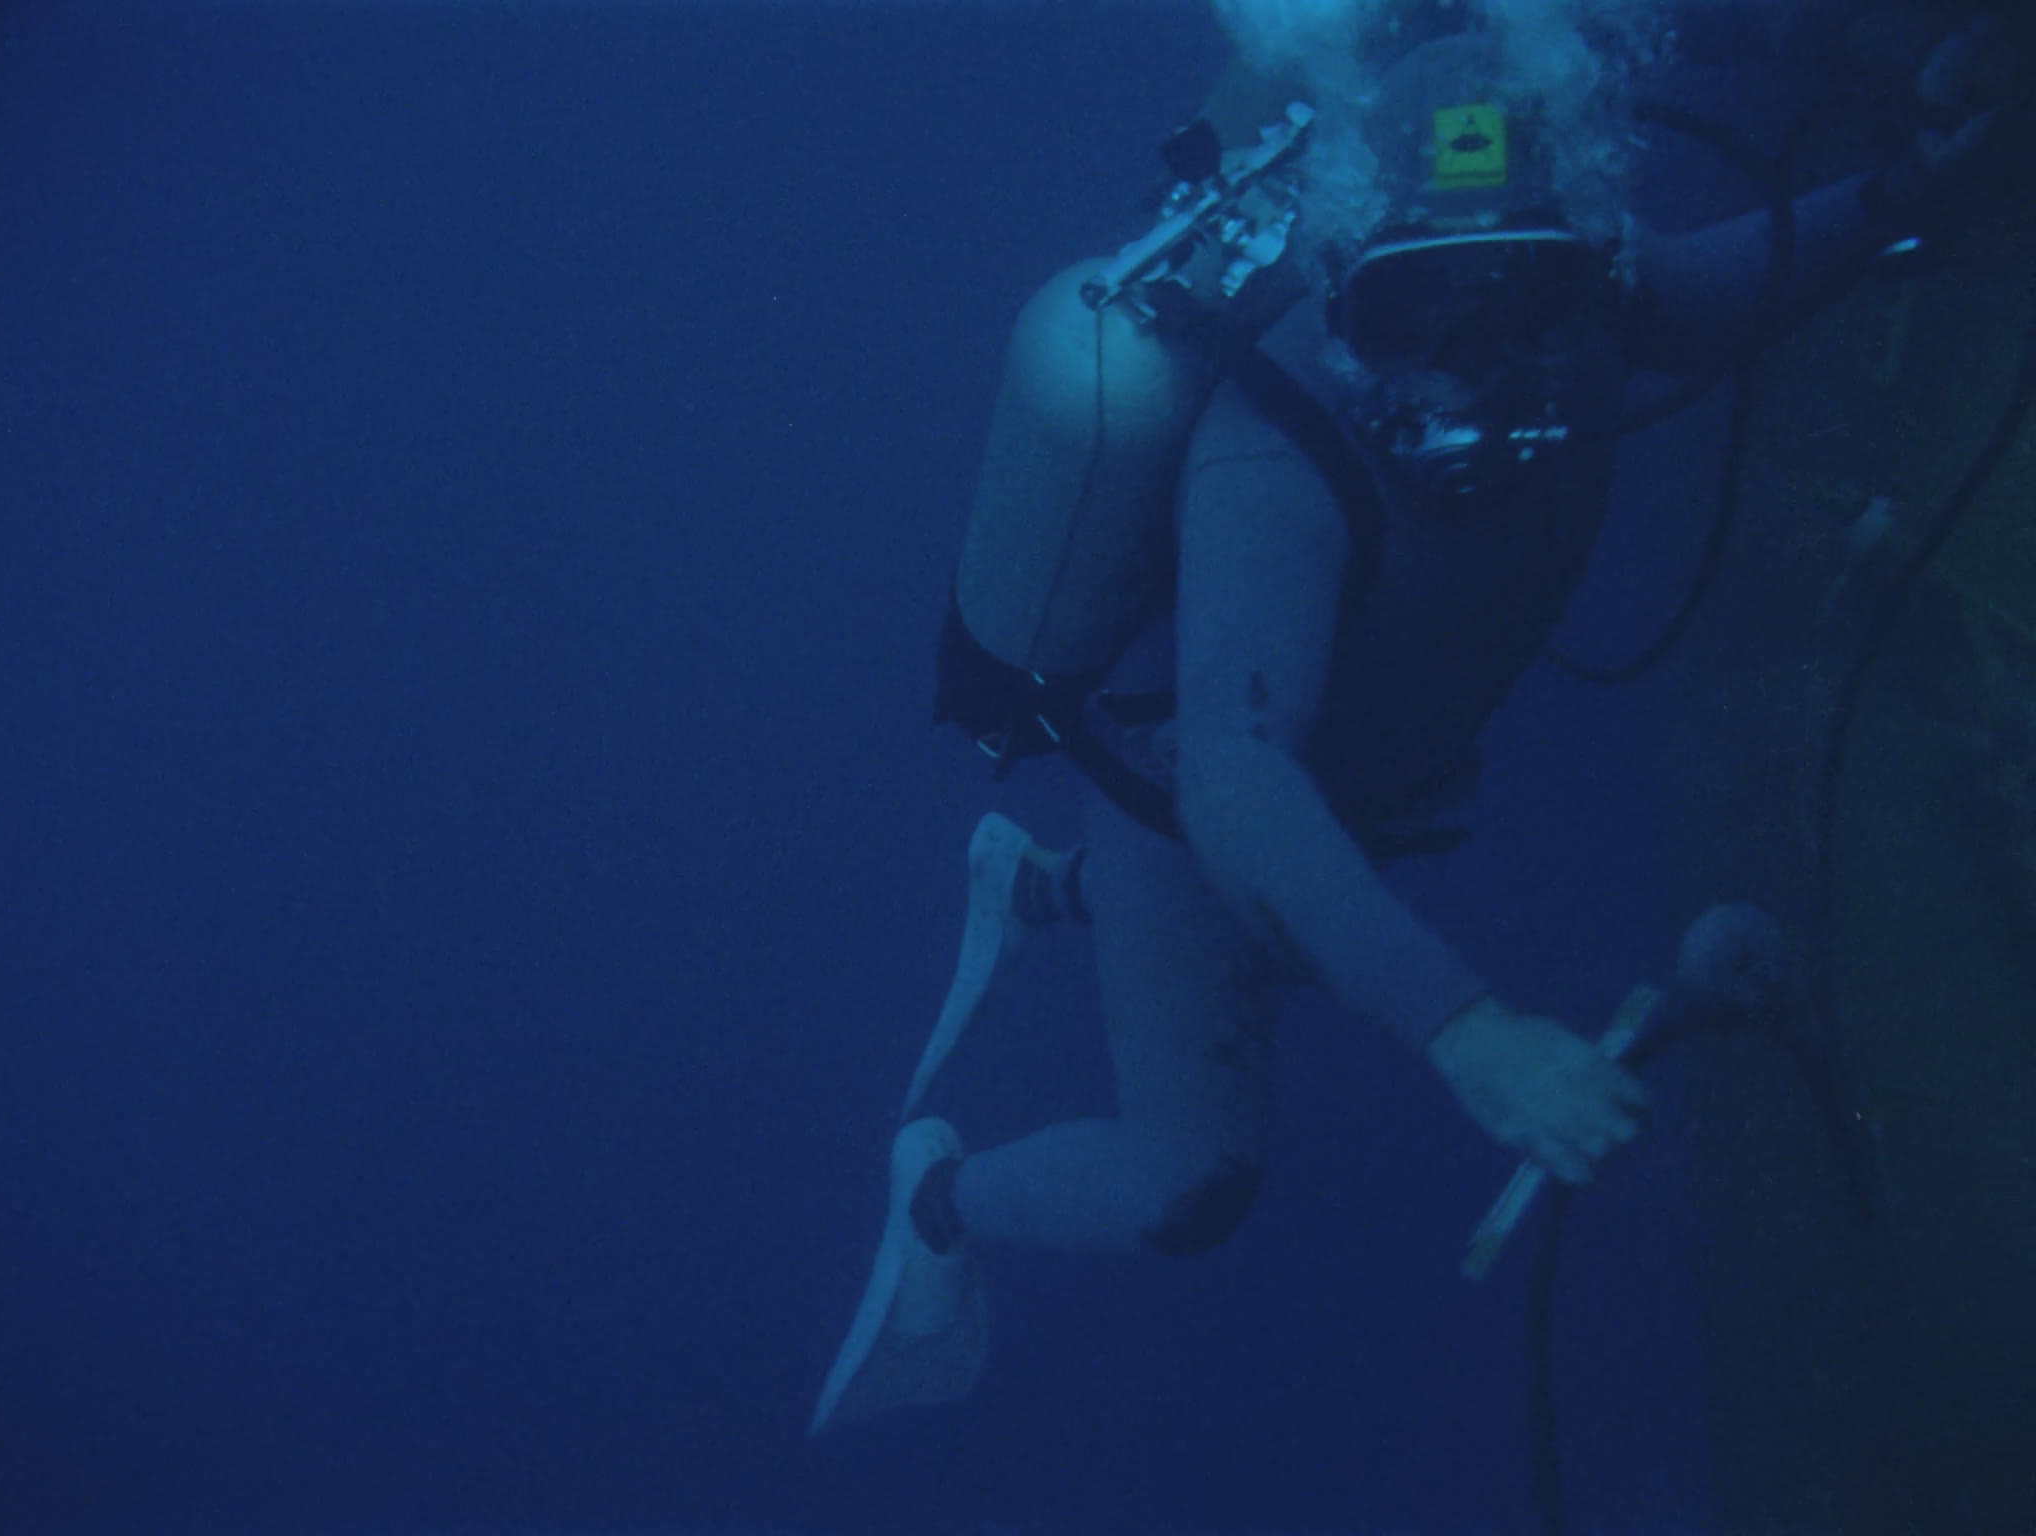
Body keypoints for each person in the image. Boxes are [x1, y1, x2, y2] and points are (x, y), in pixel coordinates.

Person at [810, 2, 2025, 1435]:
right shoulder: (1279, 446)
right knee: (1194, 1180)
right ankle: (942, 1195)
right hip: (1178, 801)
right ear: (1348, 285)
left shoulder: (1583, 323)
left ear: (1572, 268)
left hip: (1335, 788)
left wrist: (1903, 197)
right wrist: (1471, 1033)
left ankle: (1031, 888)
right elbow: (1238, 783)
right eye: (1412, 314)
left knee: (1307, 934)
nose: (1475, 361)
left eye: (1519, 295)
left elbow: (1703, 294)